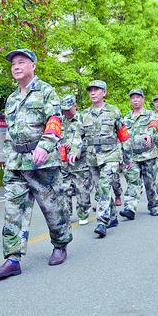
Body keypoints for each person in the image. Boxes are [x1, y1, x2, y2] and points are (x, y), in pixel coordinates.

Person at [0, 49, 72, 278]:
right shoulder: (12, 98)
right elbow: (10, 131)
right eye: (13, 64)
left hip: (42, 162)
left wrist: (45, 147)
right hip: (17, 162)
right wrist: (8, 157)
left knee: (52, 207)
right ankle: (12, 258)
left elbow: (55, 121)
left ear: (33, 65)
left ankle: (60, 243)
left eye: (21, 62)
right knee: (13, 210)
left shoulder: (46, 91)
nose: (16, 66)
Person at [69, 80, 128, 237]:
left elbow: (123, 134)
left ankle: (102, 221)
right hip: (92, 157)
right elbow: (77, 136)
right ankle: (113, 216)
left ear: (104, 92)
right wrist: (74, 150)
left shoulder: (114, 111)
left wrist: (127, 156)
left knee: (103, 186)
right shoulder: (84, 115)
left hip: (110, 155)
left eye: (97, 90)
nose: (93, 93)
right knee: (100, 188)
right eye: (90, 91)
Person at [121, 89, 158, 218]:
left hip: (148, 155)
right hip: (132, 156)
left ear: (142, 99)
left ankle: (153, 205)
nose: (135, 100)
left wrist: (149, 134)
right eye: (133, 98)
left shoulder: (150, 114)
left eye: (138, 97)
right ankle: (130, 208)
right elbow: (122, 136)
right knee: (133, 181)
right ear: (130, 101)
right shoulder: (126, 118)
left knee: (150, 183)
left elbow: (154, 126)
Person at [59, 94, 92, 225]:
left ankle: (83, 213)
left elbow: (87, 138)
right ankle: (66, 214)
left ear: (75, 105)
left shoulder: (83, 119)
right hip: (64, 161)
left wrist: (73, 143)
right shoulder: (60, 121)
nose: (66, 112)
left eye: (68, 109)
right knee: (64, 188)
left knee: (81, 188)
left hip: (80, 162)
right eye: (64, 109)